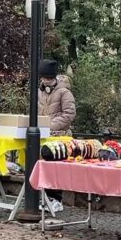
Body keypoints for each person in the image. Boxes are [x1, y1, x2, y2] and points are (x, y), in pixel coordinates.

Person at [37, 59, 76, 212]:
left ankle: (56, 199)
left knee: (55, 170)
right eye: (44, 79)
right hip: (43, 135)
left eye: (49, 79)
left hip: (59, 136)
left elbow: (69, 114)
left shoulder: (64, 92)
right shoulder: (38, 91)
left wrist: (49, 125)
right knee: (43, 169)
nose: (46, 82)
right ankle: (45, 197)